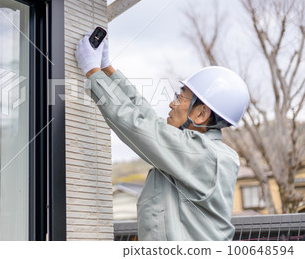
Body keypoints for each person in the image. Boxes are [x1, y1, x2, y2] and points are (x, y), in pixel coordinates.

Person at [74, 32, 250, 241]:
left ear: (201, 114)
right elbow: (146, 118)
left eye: (179, 97)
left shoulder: (203, 154)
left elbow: (137, 127)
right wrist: (107, 69)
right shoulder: (201, 150)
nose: (171, 103)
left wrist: (93, 72)